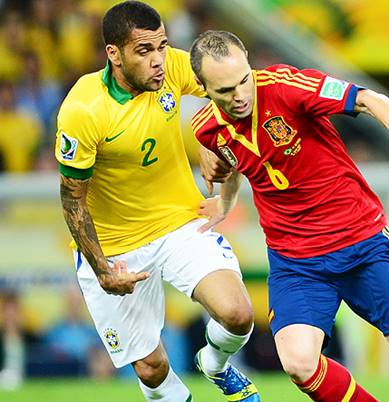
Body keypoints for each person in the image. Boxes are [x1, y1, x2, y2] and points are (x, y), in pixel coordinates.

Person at [190, 30, 389, 402]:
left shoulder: (286, 86)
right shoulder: (205, 128)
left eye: (243, 81)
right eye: (225, 91)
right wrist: (225, 203)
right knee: (299, 362)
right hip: (296, 262)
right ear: (202, 87)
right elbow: (235, 160)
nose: (239, 96)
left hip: (362, 244)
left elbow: (367, 98)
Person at [54, 2, 259, 401]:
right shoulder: (83, 110)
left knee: (238, 314)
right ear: (114, 54)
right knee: (152, 369)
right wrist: (102, 269)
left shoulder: (173, 68)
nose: (159, 61)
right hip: (117, 249)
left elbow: (236, 86)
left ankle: (214, 364)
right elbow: (72, 201)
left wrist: (211, 134)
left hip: (180, 223)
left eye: (162, 46)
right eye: (144, 51)